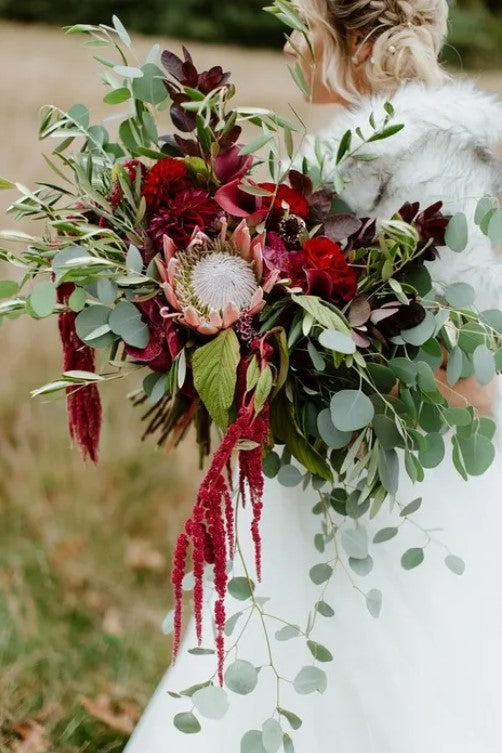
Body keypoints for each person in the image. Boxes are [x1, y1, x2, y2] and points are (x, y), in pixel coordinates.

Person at [125, 1, 502, 750]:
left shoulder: (435, 158)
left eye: (303, 23)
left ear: (343, 37)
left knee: (393, 658)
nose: (293, 43)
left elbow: (470, 367)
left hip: (404, 480)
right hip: (327, 464)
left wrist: (320, 375)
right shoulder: (355, 157)